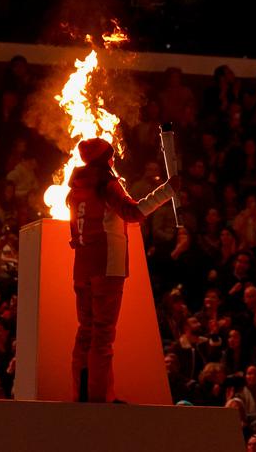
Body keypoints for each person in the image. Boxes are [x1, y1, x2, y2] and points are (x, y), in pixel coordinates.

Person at [67, 137, 180, 403]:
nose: (114, 159)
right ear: (105, 158)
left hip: (82, 268)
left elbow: (75, 231)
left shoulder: (74, 189)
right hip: (108, 266)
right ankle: (99, 398)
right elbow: (133, 213)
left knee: (86, 331)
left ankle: (82, 395)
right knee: (103, 335)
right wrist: (167, 191)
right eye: (112, 155)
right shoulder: (106, 183)